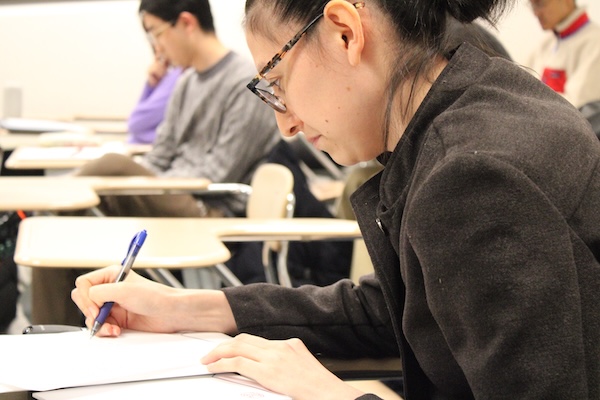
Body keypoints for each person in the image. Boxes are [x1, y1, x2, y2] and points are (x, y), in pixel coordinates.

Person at [72, 0, 600, 398]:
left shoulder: (472, 175)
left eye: (275, 81)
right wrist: (184, 309)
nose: (285, 122)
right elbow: (402, 310)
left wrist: (334, 393)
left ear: (346, 31)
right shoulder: (471, 108)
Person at [31, 0, 280, 326]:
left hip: (208, 205)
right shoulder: (188, 82)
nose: (156, 48)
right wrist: (145, 181)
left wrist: (143, 181)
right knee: (57, 234)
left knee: (111, 165)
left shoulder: (244, 81)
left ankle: (41, 201)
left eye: (156, 35)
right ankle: (50, 338)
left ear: (186, 23)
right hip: (168, 193)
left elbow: (217, 172)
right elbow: (159, 155)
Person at [526, 0, 600, 108]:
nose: (536, 13)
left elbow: (576, 108)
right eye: (532, 5)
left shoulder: (595, 44)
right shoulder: (547, 43)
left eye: (540, 4)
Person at [126, 46, 183, 145]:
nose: (158, 46)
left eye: (158, 34)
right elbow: (137, 124)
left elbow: (136, 123)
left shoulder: (180, 75)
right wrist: (152, 84)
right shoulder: (172, 75)